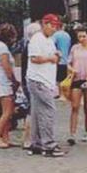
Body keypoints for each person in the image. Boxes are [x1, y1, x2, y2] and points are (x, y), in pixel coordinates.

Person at [27, 14, 65, 157]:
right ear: (45, 24)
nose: (54, 28)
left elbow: (51, 55)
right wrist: (51, 58)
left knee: (37, 112)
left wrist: (56, 55)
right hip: (39, 80)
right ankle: (49, 144)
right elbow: (35, 58)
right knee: (48, 111)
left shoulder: (49, 40)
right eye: (52, 25)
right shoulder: (37, 39)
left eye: (56, 26)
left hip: (44, 80)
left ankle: (36, 144)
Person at [0, 23, 18, 148]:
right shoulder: (2, 48)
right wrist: (13, 80)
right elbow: (6, 66)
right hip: (3, 83)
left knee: (6, 111)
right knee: (7, 112)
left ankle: (5, 137)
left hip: (1, 82)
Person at [21, 22, 42, 149]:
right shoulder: (31, 47)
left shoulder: (28, 46)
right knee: (32, 110)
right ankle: (28, 138)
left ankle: (31, 137)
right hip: (30, 81)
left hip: (28, 81)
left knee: (33, 110)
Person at [53, 24, 72, 97]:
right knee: (65, 78)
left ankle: (59, 93)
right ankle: (65, 94)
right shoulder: (67, 35)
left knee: (58, 78)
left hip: (59, 59)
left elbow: (52, 45)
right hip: (66, 59)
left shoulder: (56, 35)